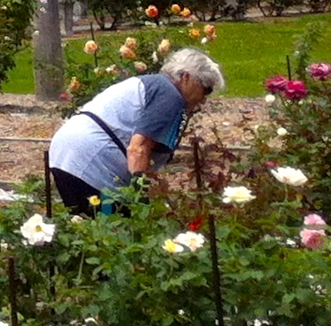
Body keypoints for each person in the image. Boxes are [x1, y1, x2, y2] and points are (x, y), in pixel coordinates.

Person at [47, 47, 224, 216]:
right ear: (186, 77)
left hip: (67, 154)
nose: (204, 98)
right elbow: (138, 148)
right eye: (205, 88)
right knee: (115, 231)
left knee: (88, 227)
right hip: (91, 161)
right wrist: (140, 196)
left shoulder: (155, 85)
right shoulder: (169, 95)